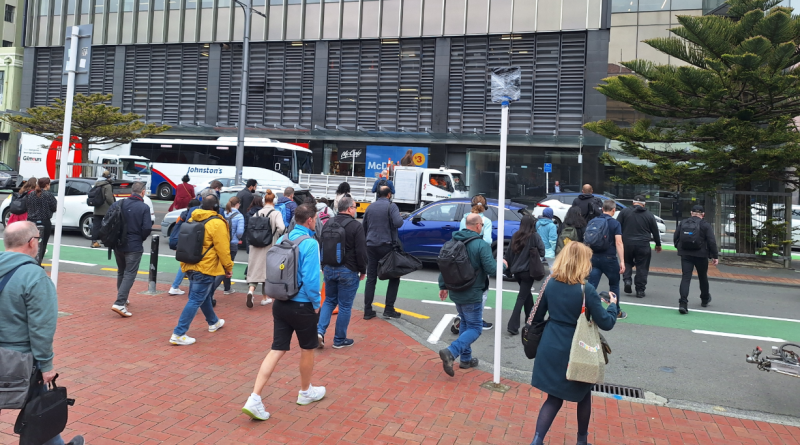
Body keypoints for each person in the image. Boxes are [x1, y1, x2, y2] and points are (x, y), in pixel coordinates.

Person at [0, 222, 85, 445]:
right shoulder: (34, 277)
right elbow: (41, 328)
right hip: (19, 359)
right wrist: (46, 365)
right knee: (40, 409)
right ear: (32, 242)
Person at [241, 204, 325, 420]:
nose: (316, 222)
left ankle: (255, 397)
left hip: (280, 302)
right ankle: (306, 391)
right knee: (307, 348)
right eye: (315, 219)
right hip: (302, 304)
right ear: (309, 221)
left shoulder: (282, 240)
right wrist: (316, 303)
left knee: (277, 348)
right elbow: (312, 279)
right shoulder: (310, 243)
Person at [529, 242, 618, 445]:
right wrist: (613, 306)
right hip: (577, 348)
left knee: (553, 397)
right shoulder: (587, 290)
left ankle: (537, 439)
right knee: (583, 392)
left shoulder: (550, 282)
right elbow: (607, 322)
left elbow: (536, 316)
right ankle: (581, 440)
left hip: (550, 343)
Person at [437, 214, 503, 376]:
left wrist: (443, 286)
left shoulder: (451, 242)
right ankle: (452, 352)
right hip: (472, 292)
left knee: (465, 322)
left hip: (455, 290)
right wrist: (502, 264)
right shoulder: (480, 245)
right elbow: (492, 269)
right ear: (478, 226)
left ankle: (466, 359)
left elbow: (444, 266)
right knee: (475, 327)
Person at [170, 195, 230, 345]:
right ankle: (179, 333)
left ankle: (213, 321)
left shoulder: (193, 218)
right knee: (196, 298)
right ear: (216, 207)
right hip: (206, 266)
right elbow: (223, 249)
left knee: (201, 295)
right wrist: (228, 267)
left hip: (189, 264)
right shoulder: (217, 223)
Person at [317, 196, 368, 349]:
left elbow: (322, 246)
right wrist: (362, 270)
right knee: (345, 306)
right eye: (354, 207)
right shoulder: (355, 226)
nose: (356, 209)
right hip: (348, 270)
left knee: (329, 300)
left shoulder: (328, 223)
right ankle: (339, 340)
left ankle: (319, 331)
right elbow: (361, 251)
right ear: (349, 209)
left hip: (329, 268)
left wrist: (324, 265)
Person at [109, 182, 153, 318]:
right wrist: (140, 238)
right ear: (143, 192)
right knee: (130, 273)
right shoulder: (144, 207)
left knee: (121, 271)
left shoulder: (119, 204)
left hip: (118, 243)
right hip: (134, 245)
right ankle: (120, 302)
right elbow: (146, 228)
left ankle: (122, 297)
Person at [362, 185, 404, 319]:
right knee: (394, 276)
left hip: (371, 245)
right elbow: (398, 223)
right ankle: (389, 308)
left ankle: (367, 310)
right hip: (386, 245)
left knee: (371, 278)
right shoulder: (391, 206)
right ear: (389, 194)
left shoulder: (370, 207)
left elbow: (364, 226)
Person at [454, 195, 493, 332]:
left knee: (464, 285)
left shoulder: (466, 218)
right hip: (478, 257)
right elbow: (487, 241)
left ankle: (462, 315)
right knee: (482, 290)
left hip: (463, 257)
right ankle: (477, 319)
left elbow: (460, 236)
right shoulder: (485, 221)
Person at [505, 215, 545, 335]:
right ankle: (512, 326)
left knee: (526, 294)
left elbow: (509, 254)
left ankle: (530, 318)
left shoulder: (515, 235)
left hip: (516, 271)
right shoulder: (534, 236)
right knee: (522, 297)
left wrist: (508, 270)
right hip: (528, 272)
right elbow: (542, 250)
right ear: (533, 224)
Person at [674, 205, 718, 314]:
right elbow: (711, 241)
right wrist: (715, 256)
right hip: (701, 255)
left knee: (686, 278)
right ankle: (704, 299)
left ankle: (683, 303)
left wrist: (680, 248)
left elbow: (676, 237)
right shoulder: (705, 225)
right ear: (703, 214)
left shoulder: (683, 222)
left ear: (691, 212)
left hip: (686, 254)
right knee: (702, 277)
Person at [586, 200, 627, 319]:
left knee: (591, 285)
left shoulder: (593, 221)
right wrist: (622, 261)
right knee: (614, 284)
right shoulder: (615, 223)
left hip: (594, 257)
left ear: (602, 209)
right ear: (613, 210)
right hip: (609, 258)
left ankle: (586, 309)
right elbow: (619, 242)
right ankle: (617, 311)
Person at [617, 195, 662, 298]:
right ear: (644, 204)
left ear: (633, 203)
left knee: (627, 262)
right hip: (643, 244)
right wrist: (658, 244)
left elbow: (617, 226)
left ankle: (627, 280)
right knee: (642, 267)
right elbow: (655, 231)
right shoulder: (649, 215)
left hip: (627, 243)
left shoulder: (624, 212)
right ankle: (640, 290)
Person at [246, 189, 285, 307]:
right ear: (275, 201)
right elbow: (282, 228)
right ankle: (264, 298)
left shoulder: (256, 213)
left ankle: (251, 291)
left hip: (255, 245)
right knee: (266, 271)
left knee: (255, 269)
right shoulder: (275, 213)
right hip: (269, 245)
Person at [168, 198, 201, 295]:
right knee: (185, 264)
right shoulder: (194, 216)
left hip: (178, 240)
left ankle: (176, 286)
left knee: (186, 264)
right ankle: (175, 286)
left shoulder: (183, 214)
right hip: (186, 241)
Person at [214, 196, 244, 295]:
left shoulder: (224, 214)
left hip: (222, 242)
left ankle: (227, 288)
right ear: (238, 204)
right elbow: (240, 231)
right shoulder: (239, 216)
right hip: (232, 243)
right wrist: (237, 238)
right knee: (227, 266)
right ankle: (213, 289)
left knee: (223, 265)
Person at [26, 177, 57, 265]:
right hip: (44, 221)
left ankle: (29, 261)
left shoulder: (31, 194)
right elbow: (54, 207)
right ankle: (38, 263)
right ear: (47, 185)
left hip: (31, 221)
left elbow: (27, 205)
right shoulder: (48, 195)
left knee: (30, 243)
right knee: (42, 244)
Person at [91, 170, 116, 248]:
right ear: (108, 177)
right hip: (106, 209)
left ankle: (94, 242)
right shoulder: (107, 185)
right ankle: (105, 240)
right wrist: (114, 205)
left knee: (96, 225)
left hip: (97, 208)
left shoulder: (97, 184)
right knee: (107, 225)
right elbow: (109, 198)